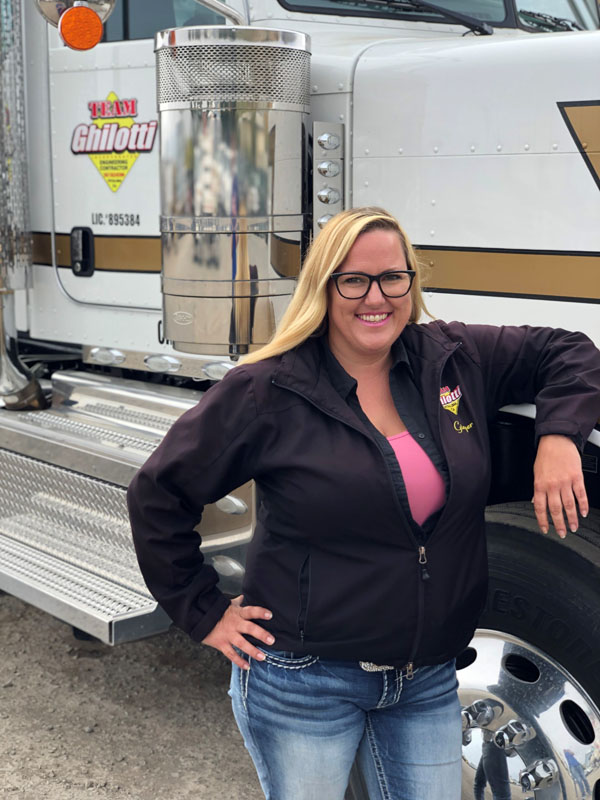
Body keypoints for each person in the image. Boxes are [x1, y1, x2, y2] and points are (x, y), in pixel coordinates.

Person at [127, 207, 600, 800]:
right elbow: (158, 493)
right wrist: (203, 611)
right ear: (324, 287)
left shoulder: (451, 358)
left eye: (392, 278)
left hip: (425, 678)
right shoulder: (268, 389)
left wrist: (559, 437)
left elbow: (569, 350)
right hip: (306, 681)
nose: (376, 298)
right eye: (353, 280)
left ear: (411, 283)